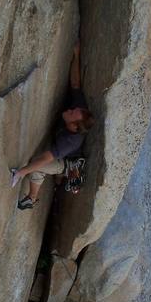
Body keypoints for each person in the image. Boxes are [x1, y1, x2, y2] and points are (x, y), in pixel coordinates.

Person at [11, 41, 94, 210]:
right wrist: (76, 56)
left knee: (37, 165)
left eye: (72, 114)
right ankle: (57, 179)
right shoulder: (80, 110)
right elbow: (76, 84)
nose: (70, 109)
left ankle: (32, 198)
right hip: (64, 151)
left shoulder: (69, 142)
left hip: (67, 162)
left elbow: (43, 159)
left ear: (74, 127)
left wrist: (20, 173)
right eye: (74, 109)